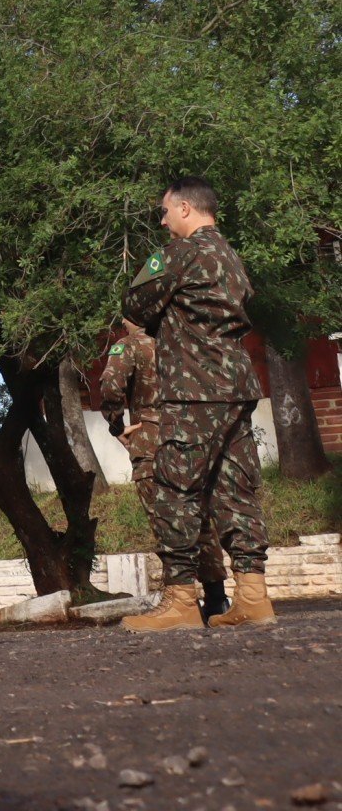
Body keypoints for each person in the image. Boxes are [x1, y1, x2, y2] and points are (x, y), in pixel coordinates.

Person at [119, 177, 273, 630]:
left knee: (175, 489)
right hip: (237, 385)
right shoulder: (231, 256)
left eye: (166, 212)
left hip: (194, 388)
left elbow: (133, 302)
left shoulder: (177, 255)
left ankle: (182, 601)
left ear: (185, 208)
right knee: (236, 487)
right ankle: (253, 595)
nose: (163, 221)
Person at [99, 321, 231, 619]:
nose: (122, 321)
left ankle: (180, 602)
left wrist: (116, 425)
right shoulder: (189, 340)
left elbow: (110, 384)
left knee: (166, 520)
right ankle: (217, 600)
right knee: (199, 518)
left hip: (153, 442)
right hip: (194, 440)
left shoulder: (131, 345)